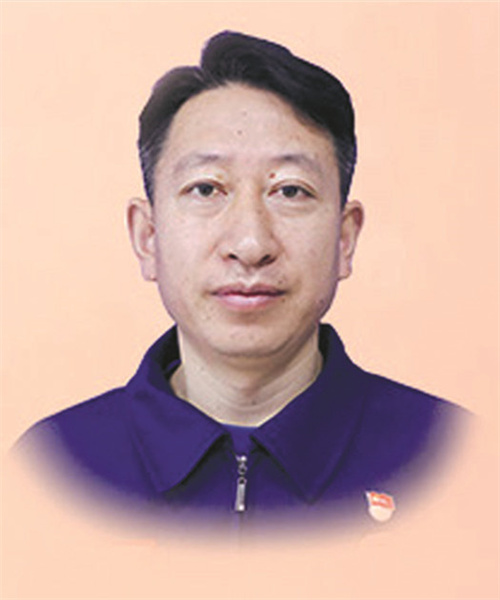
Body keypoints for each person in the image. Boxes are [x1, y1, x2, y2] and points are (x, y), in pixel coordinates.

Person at [16, 31, 468, 532]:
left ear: (345, 239)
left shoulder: (457, 460)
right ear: (148, 237)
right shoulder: (49, 468)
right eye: (206, 188)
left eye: (290, 191)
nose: (251, 244)